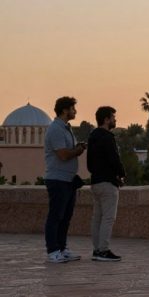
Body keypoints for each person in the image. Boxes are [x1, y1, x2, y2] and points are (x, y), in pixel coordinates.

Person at [43, 96, 87, 264]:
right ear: (64, 110)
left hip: (68, 180)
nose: (75, 111)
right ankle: (53, 250)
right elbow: (62, 154)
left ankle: (62, 248)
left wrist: (76, 148)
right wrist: (78, 151)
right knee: (56, 216)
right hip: (57, 179)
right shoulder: (56, 129)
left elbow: (67, 150)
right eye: (73, 109)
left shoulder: (66, 128)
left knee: (65, 217)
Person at [87, 105, 126, 262]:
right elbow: (114, 158)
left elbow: (89, 164)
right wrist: (121, 174)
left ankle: (97, 249)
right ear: (106, 119)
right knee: (108, 218)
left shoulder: (93, 136)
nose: (115, 120)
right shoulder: (107, 137)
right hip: (108, 183)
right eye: (113, 117)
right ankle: (103, 250)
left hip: (96, 182)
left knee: (97, 217)